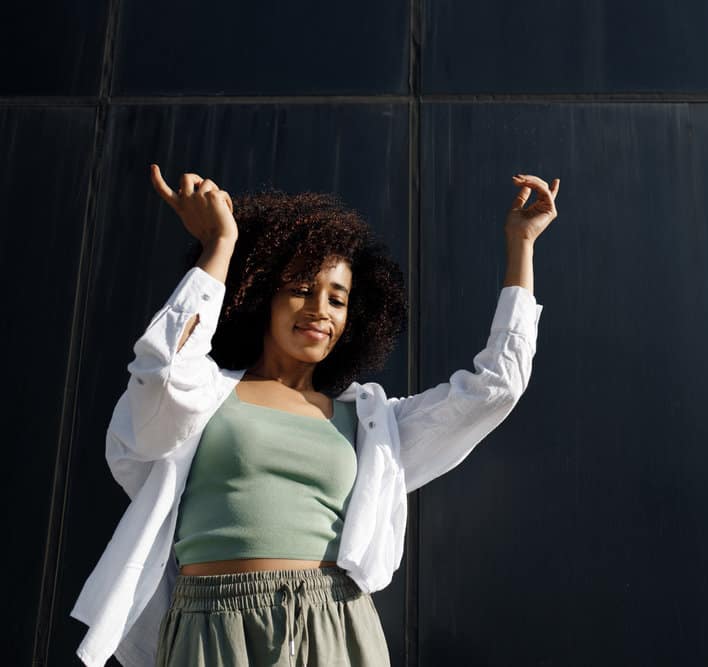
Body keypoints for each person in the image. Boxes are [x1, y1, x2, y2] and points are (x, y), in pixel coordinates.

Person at [69, 163, 560, 666]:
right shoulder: (203, 392)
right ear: (261, 294)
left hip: (335, 620)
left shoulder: (371, 423)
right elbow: (162, 368)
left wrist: (521, 244)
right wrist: (221, 244)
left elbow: (495, 388)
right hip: (211, 625)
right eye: (300, 289)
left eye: (338, 299)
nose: (319, 309)